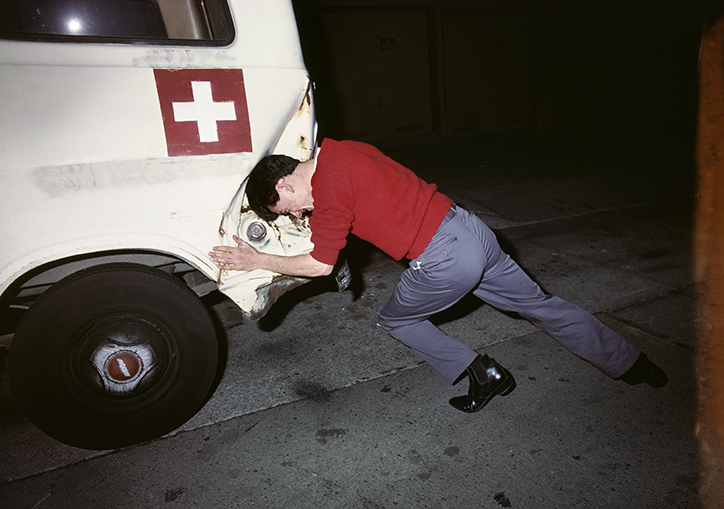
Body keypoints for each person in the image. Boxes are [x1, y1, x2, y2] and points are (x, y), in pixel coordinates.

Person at [209, 139, 667, 413]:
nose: (297, 212)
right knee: (541, 306)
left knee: (396, 320)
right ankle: (632, 364)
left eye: (286, 207)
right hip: (472, 229)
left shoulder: (326, 189)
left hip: (444, 255)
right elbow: (370, 203)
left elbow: (320, 265)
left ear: (285, 184)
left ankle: (483, 373)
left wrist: (258, 260)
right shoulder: (342, 150)